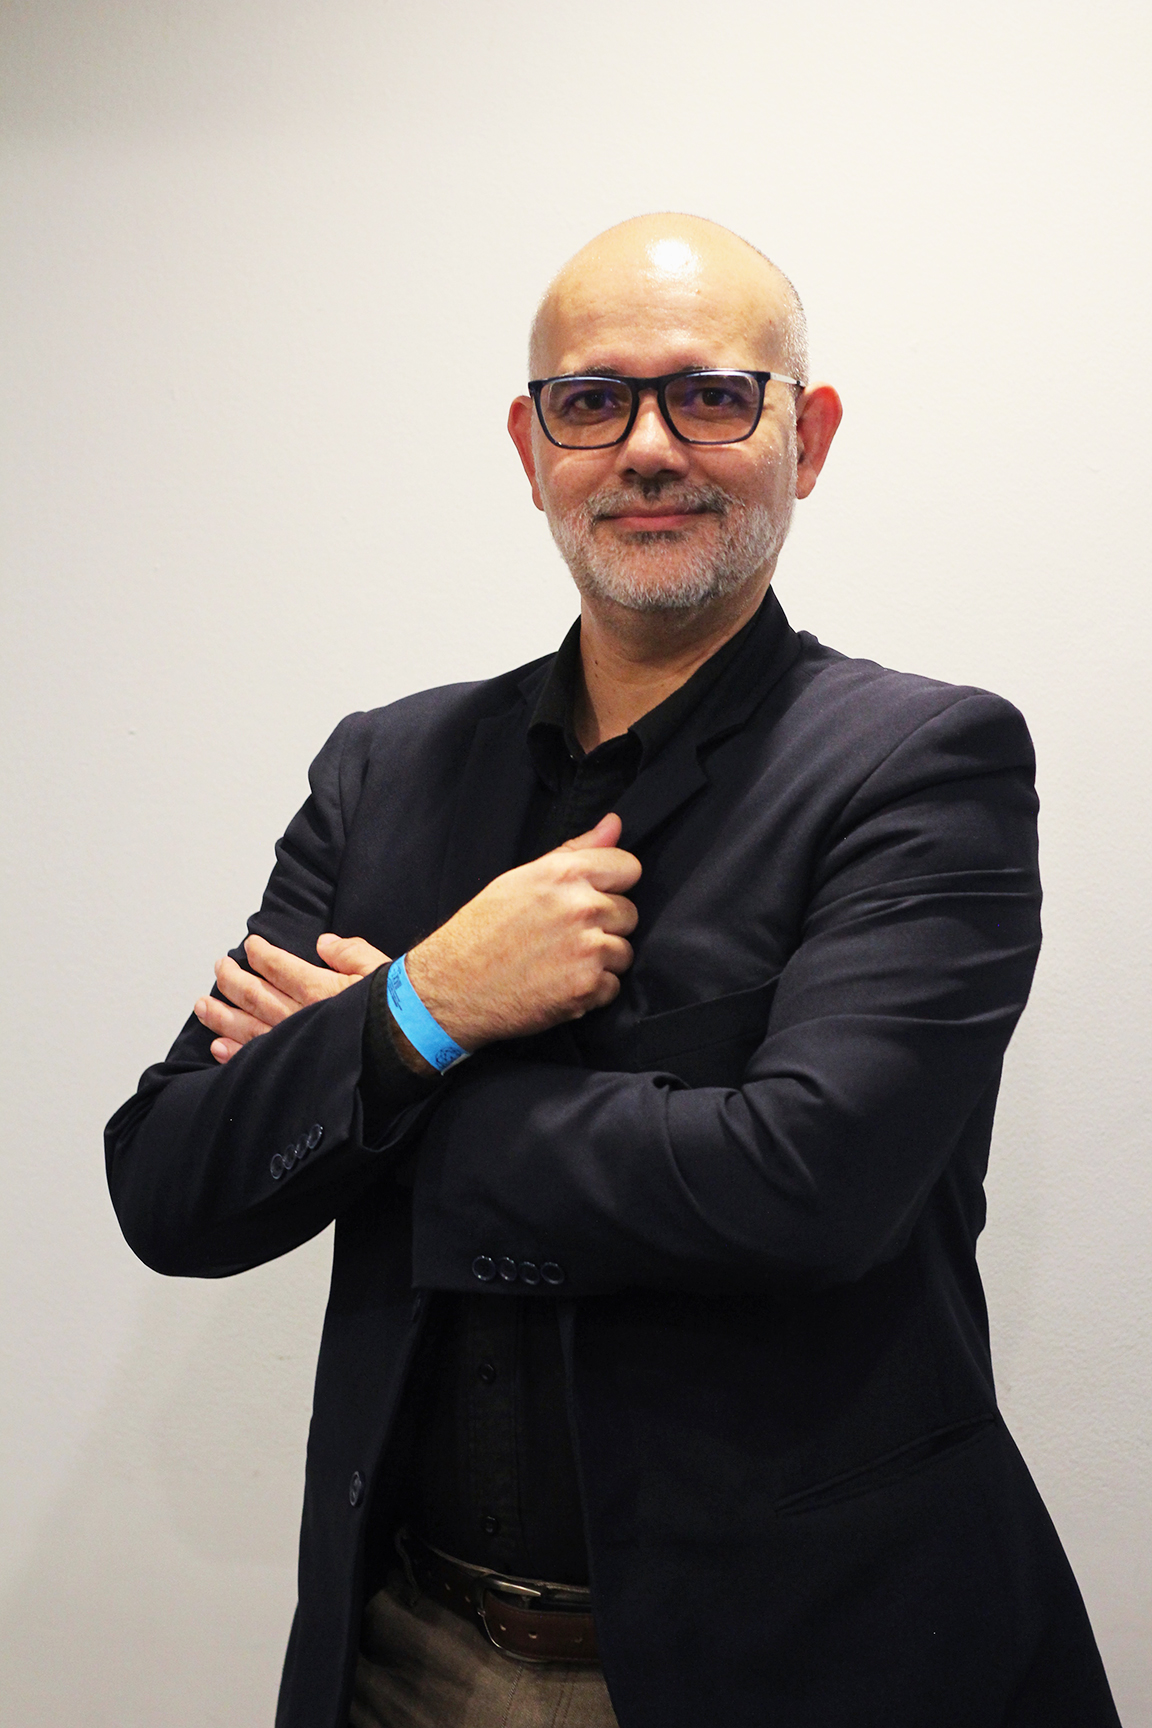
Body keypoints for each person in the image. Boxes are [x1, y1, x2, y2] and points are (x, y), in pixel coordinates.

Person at [106, 215, 1120, 1728]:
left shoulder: (922, 764)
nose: (649, 448)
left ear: (807, 437)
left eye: (711, 396)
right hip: (403, 1656)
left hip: (806, 1665)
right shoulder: (384, 772)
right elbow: (174, 1185)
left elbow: (809, 1187)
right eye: (592, 401)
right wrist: (437, 995)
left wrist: (394, 1052)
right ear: (532, 450)